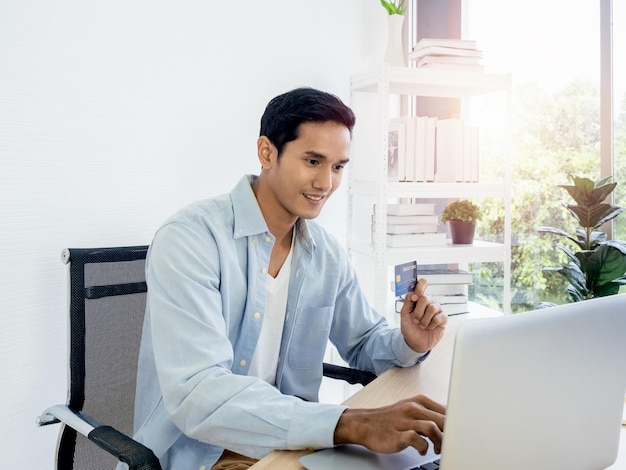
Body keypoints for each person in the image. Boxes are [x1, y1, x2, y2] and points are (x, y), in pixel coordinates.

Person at [130, 87, 448, 470]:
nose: (326, 182)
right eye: (313, 160)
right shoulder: (190, 240)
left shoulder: (325, 255)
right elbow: (198, 392)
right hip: (207, 452)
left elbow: (365, 343)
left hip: (298, 445)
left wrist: (409, 342)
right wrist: (349, 423)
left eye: (338, 166)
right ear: (267, 153)